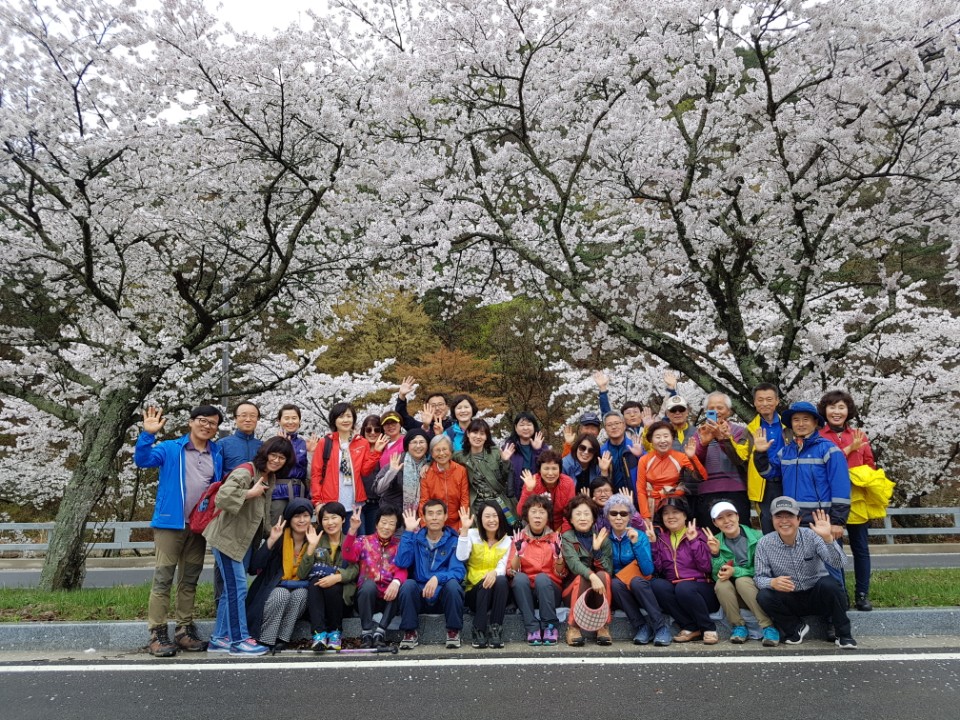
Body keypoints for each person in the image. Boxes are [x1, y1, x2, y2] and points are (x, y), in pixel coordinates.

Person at [135, 404, 224, 657]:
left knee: (190, 579)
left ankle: (184, 629)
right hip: (170, 523)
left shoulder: (217, 453)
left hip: (198, 526)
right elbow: (142, 460)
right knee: (163, 578)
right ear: (191, 422)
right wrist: (148, 435)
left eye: (212, 423)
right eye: (202, 420)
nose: (206, 426)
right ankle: (157, 632)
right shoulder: (171, 448)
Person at [203, 436, 294, 656]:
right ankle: (239, 640)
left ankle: (219, 638)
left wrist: (271, 533)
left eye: (282, 458)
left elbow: (260, 514)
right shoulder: (246, 472)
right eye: (273, 455)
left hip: (243, 541)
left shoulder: (269, 477)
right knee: (238, 589)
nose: (276, 460)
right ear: (265, 453)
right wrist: (249, 493)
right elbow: (223, 497)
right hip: (227, 539)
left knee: (230, 591)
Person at [755, 496, 857, 648]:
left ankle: (844, 635)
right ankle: (795, 628)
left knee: (830, 584)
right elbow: (758, 578)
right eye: (779, 516)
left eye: (789, 516)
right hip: (790, 597)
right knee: (764, 595)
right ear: (772, 519)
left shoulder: (812, 536)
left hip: (816, 595)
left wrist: (828, 539)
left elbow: (839, 563)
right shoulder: (764, 543)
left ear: (799, 519)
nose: (784, 521)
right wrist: (772, 582)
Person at [752, 401, 851, 539]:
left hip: (820, 521)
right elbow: (768, 473)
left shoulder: (829, 449)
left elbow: (840, 485)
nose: (801, 424)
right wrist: (760, 453)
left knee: (826, 554)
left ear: (815, 422)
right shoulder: (786, 451)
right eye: (796, 420)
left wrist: (837, 521)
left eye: (806, 419)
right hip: (792, 519)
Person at [818, 390, 880, 611]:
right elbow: (821, 465)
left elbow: (870, 464)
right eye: (832, 407)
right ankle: (840, 593)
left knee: (861, 548)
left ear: (848, 411)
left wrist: (866, 476)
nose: (836, 412)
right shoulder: (819, 436)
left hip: (857, 499)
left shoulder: (859, 435)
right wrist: (848, 449)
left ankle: (862, 594)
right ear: (825, 410)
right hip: (831, 500)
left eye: (841, 407)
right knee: (835, 549)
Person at [703, 501, 778, 646]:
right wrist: (716, 553)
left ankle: (768, 626)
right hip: (732, 597)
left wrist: (735, 571)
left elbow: (763, 570)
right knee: (721, 584)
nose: (726, 521)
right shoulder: (714, 541)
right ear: (715, 523)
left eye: (730, 515)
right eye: (720, 518)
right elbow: (716, 575)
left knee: (742, 581)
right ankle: (738, 626)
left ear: (737, 516)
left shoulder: (757, 537)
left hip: (756, 591)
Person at [245, 498, 314, 653]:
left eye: (305, 516)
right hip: (273, 591)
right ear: (289, 519)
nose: (302, 520)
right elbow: (254, 567)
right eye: (297, 516)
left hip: (300, 589)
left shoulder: (314, 538)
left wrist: (313, 546)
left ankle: (283, 639)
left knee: (301, 594)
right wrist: (271, 540)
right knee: (282, 594)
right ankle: (266, 639)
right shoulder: (280, 537)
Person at [648, 497, 720, 644]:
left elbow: (706, 567)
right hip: (677, 590)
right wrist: (654, 544)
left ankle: (708, 628)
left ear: (685, 515)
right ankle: (690, 627)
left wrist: (693, 542)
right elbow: (658, 569)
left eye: (675, 512)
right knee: (656, 585)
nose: (670, 516)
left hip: (701, 591)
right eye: (666, 513)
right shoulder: (662, 538)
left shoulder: (698, 534)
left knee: (684, 587)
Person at [395, 501, 466, 649]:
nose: (434, 518)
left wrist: (437, 578)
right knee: (408, 585)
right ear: (423, 517)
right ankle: (410, 633)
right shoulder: (415, 539)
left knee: (453, 585)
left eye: (439, 513)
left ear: (445, 517)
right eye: (430, 514)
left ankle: (453, 631)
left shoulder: (453, 541)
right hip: (420, 596)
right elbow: (402, 562)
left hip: (442, 597)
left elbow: (458, 571)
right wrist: (408, 532)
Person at [604, 494, 670, 646]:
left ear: (630, 516)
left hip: (641, 584)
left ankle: (660, 627)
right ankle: (641, 627)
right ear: (608, 516)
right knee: (615, 583)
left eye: (623, 513)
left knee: (636, 582)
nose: (618, 517)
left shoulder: (639, 535)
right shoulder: (605, 538)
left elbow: (648, 570)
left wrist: (636, 544)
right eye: (614, 513)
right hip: (621, 589)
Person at [342, 504, 406, 648]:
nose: (386, 527)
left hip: (389, 598)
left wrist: (396, 582)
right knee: (369, 585)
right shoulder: (363, 541)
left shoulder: (399, 545)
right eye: (383, 522)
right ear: (376, 524)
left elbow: (403, 570)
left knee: (399, 586)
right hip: (366, 597)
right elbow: (348, 555)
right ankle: (366, 633)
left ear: (396, 528)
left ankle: (380, 632)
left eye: (391, 524)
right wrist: (352, 530)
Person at [507, 494, 567, 646]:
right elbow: (511, 571)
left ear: (548, 516)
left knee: (542, 578)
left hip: (550, 591)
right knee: (519, 578)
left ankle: (550, 626)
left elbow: (561, 573)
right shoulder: (519, 538)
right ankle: (532, 628)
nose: (537, 516)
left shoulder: (555, 538)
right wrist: (518, 554)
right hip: (528, 593)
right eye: (533, 512)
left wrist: (558, 557)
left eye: (542, 512)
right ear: (527, 516)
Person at [301, 501, 359, 652]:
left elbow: (355, 569)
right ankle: (319, 635)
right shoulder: (316, 541)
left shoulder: (351, 541)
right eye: (325, 519)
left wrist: (337, 577)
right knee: (315, 581)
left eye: (334, 517)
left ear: (343, 519)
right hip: (317, 601)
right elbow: (302, 573)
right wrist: (311, 547)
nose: (330, 523)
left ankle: (335, 633)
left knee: (333, 585)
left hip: (342, 599)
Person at [311, 402, 387, 513]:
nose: (345, 420)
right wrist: (317, 502)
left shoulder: (362, 443)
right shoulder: (325, 442)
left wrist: (376, 452)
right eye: (341, 416)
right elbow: (316, 474)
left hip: (355, 503)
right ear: (334, 420)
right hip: (330, 502)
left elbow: (364, 471)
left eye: (348, 416)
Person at [692, 392, 752, 530]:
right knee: (709, 533)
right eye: (711, 408)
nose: (716, 411)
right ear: (706, 412)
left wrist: (723, 439)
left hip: (735, 489)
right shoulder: (699, 433)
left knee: (739, 530)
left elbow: (740, 460)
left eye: (720, 407)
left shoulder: (740, 431)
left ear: (729, 411)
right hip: (707, 491)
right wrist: (703, 444)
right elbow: (695, 464)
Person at [456, 502, 511, 648]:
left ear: (500, 518)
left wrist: (494, 572)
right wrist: (464, 531)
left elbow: (504, 565)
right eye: (487, 516)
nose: (491, 520)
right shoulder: (472, 535)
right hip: (474, 593)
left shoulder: (507, 540)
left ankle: (496, 628)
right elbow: (461, 556)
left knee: (501, 581)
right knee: (486, 583)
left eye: (495, 516)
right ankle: (478, 629)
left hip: (496, 594)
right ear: (480, 519)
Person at [561, 496, 613, 646]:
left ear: (593, 518)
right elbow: (574, 564)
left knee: (603, 575)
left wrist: (597, 551)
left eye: (586, 514)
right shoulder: (567, 538)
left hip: (598, 592)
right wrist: (591, 576)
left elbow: (609, 570)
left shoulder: (602, 538)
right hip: (573, 591)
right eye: (578, 514)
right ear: (571, 519)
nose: (582, 518)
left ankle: (602, 626)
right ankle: (573, 627)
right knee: (583, 577)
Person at [635, 421, 706, 519]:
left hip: (676, 504)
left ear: (672, 438)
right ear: (651, 440)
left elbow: (702, 477)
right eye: (658, 437)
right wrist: (645, 516)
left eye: (666, 436)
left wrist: (692, 458)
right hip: (653, 506)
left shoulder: (681, 457)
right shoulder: (644, 460)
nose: (662, 440)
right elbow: (641, 490)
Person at [746, 383, 790, 534]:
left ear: (777, 401)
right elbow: (741, 457)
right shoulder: (750, 430)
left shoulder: (790, 426)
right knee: (768, 524)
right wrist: (726, 439)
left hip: (788, 481)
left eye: (769, 399)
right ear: (754, 402)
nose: (765, 403)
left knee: (791, 523)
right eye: (760, 400)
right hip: (763, 485)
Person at [454, 418, 515, 519]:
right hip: (477, 503)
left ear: (486, 437)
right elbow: (444, 463)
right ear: (468, 434)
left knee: (510, 525)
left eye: (482, 434)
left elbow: (505, 478)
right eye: (475, 432)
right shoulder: (459, 457)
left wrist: (505, 461)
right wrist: (428, 465)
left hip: (499, 500)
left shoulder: (495, 452)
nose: (478, 437)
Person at [270, 403, 311, 525]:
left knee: (299, 529)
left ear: (299, 420)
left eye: (294, 418)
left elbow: (310, 471)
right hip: (279, 493)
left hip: (300, 492)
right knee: (277, 527)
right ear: (279, 421)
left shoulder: (304, 444)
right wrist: (282, 446)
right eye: (286, 418)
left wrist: (311, 453)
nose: (290, 422)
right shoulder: (272, 443)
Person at [419, 434, 470, 530]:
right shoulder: (427, 474)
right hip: (434, 526)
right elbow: (424, 503)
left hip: (457, 525)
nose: (441, 453)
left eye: (444, 449)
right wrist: (426, 528)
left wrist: (461, 526)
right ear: (432, 454)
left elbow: (465, 500)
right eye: (437, 450)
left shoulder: (461, 471)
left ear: (450, 451)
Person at [518, 450, 577, 533]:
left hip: (560, 528)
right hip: (537, 528)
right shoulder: (532, 481)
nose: (550, 473)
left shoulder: (568, 483)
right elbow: (521, 512)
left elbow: (570, 513)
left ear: (560, 470)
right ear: (539, 470)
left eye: (554, 468)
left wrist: (560, 534)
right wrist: (529, 490)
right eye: (546, 468)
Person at [374, 428, 431, 514]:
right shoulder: (397, 462)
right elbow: (378, 489)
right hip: (393, 514)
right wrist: (391, 472)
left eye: (422, 442)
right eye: (414, 442)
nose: (418, 446)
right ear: (407, 445)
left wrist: (429, 464)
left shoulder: (428, 465)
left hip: (417, 515)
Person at [503, 412, 548, 500]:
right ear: (516, 428)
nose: (525, 428)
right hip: (515, 496)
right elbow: (502, 475)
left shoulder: (543, 447)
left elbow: (547, 469)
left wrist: (538, 450)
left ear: (534, 427)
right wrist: (504, 461)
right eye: (522, 425)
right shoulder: (509, 448)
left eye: (529, 424)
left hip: (538, 495)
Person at [599, 410, 638, 493]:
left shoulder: (635, 447)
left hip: (635, 495)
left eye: (617, 423)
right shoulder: (601, 452)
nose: (613, 427)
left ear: (624, 425)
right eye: (609, 425)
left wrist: (640, 455)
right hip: (611, 497)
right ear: (605, 429)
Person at [358, 413, 384, 534]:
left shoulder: (386, 450)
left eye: (377, 430)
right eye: (368, 429)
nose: (372, 433)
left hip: (376, 504)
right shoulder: (357, 450)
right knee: (359, 537)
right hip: (358, 502)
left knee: (372, 538)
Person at [219, 401, 263, 474]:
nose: (248, 419)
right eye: (243, 415)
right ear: (235, 418)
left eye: (252, 416)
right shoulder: (223, 444)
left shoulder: (262, 446)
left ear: (257, 419)